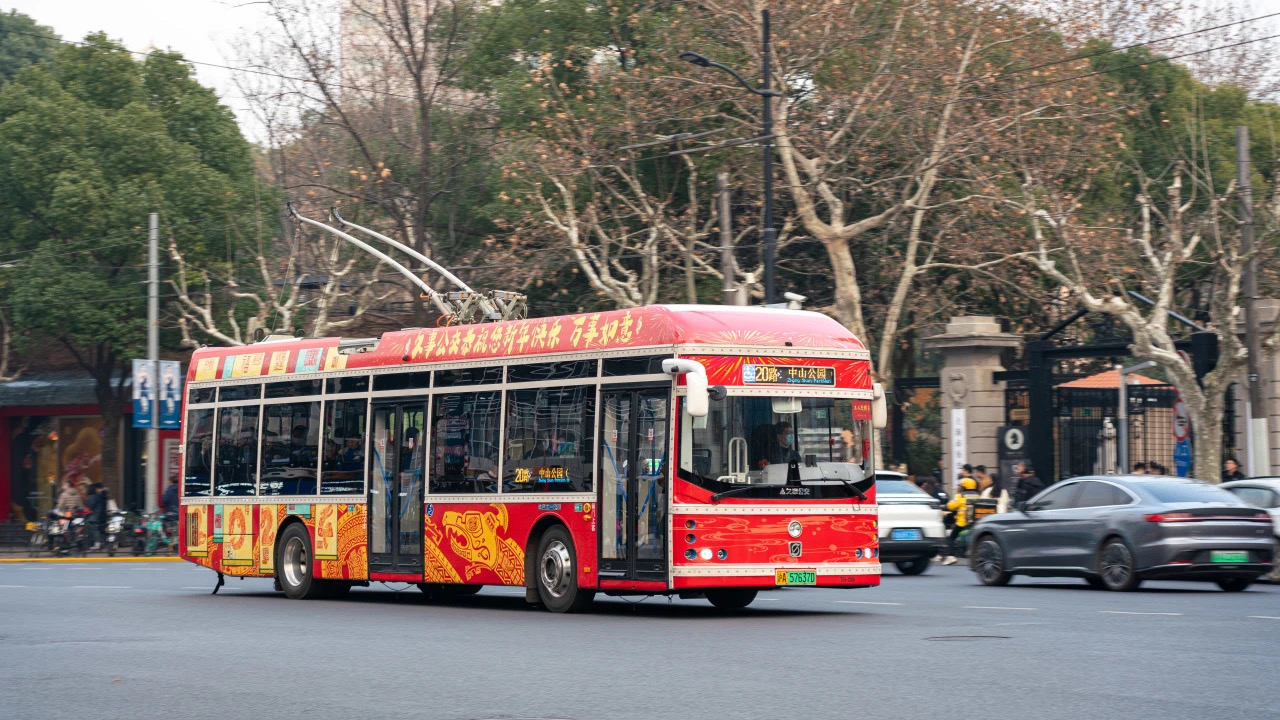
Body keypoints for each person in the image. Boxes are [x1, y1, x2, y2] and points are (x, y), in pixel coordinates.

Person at [942, 477, 981, 565]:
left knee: (951, 537)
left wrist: (944, 506)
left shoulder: (960, 495)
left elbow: (951, 506)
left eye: (960, 486)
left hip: (962, 522)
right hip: (975, 522)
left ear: (964, 487)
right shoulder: (978, 495)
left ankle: (950, 556)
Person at [85, 483, 108, 550]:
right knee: (99, 529)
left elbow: (90, 507)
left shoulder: (92, 497)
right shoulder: (100, 496)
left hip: (94, 516)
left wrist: (86, 513)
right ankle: (100, 543)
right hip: (100, 515)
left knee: (93, 529)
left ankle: (96, 543)